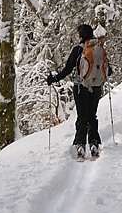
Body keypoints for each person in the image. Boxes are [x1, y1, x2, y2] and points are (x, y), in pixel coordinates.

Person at [46, 24, 111, 160]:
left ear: (80, 36)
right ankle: (94, 143)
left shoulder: (78, 50)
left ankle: (80, 145)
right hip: (96, 87)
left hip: (81, 87)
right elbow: (108, 70)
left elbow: (68, 69)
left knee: (82, 116)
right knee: (92, 115)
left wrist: (54, 78)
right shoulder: (99, 48)